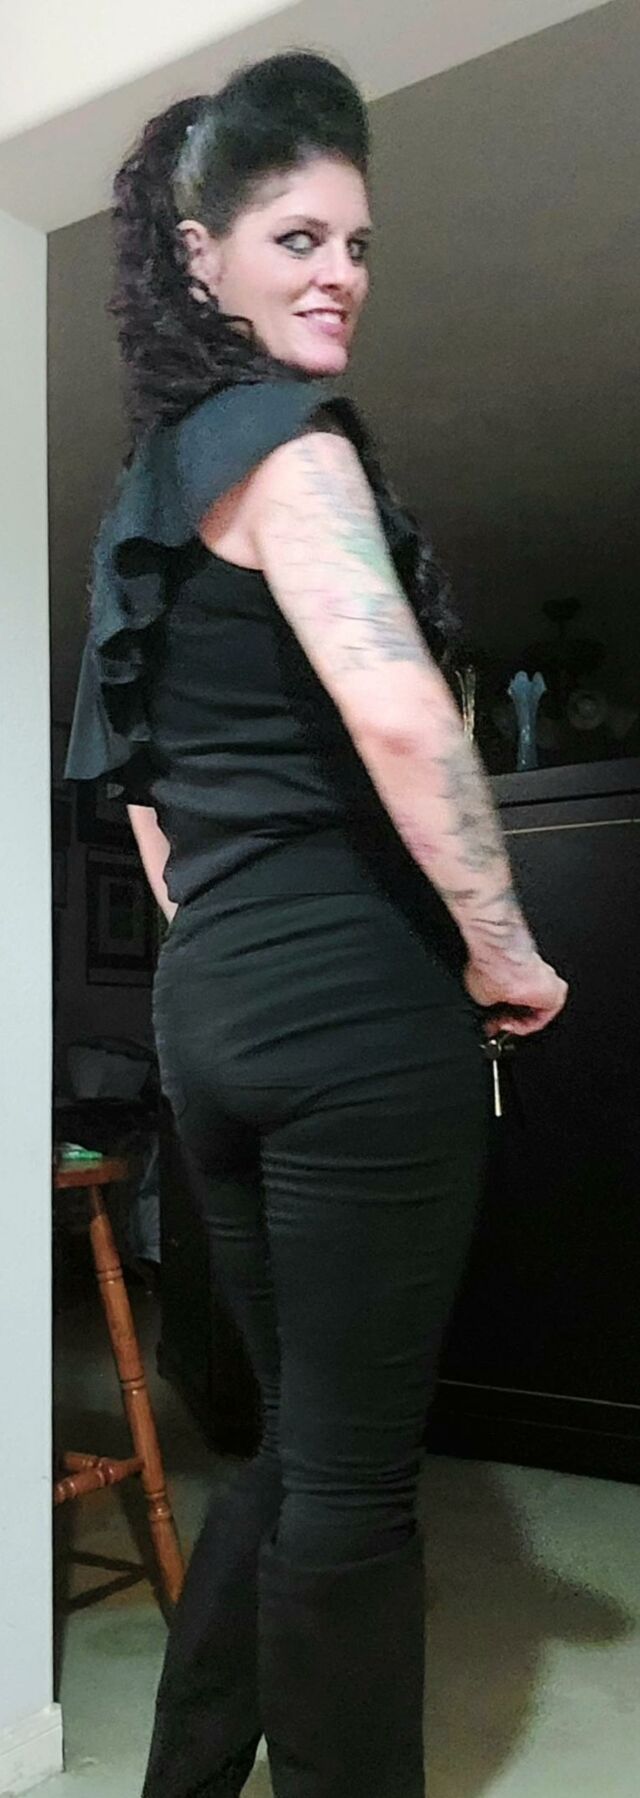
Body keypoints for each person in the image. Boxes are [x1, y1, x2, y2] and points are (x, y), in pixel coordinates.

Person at [65, 50, 568, 1798]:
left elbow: (145, 811)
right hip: (354, 1006)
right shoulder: (293, 449)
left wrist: (241, 948)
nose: (342, 271)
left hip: (214, 1013)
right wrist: (503, 953)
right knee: (354, 1482)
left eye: (358, 241)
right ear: (200, 254)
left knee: (292, 1451)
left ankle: (186, 1780)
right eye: (298, 236)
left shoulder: (147, 503)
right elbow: (410, 720)